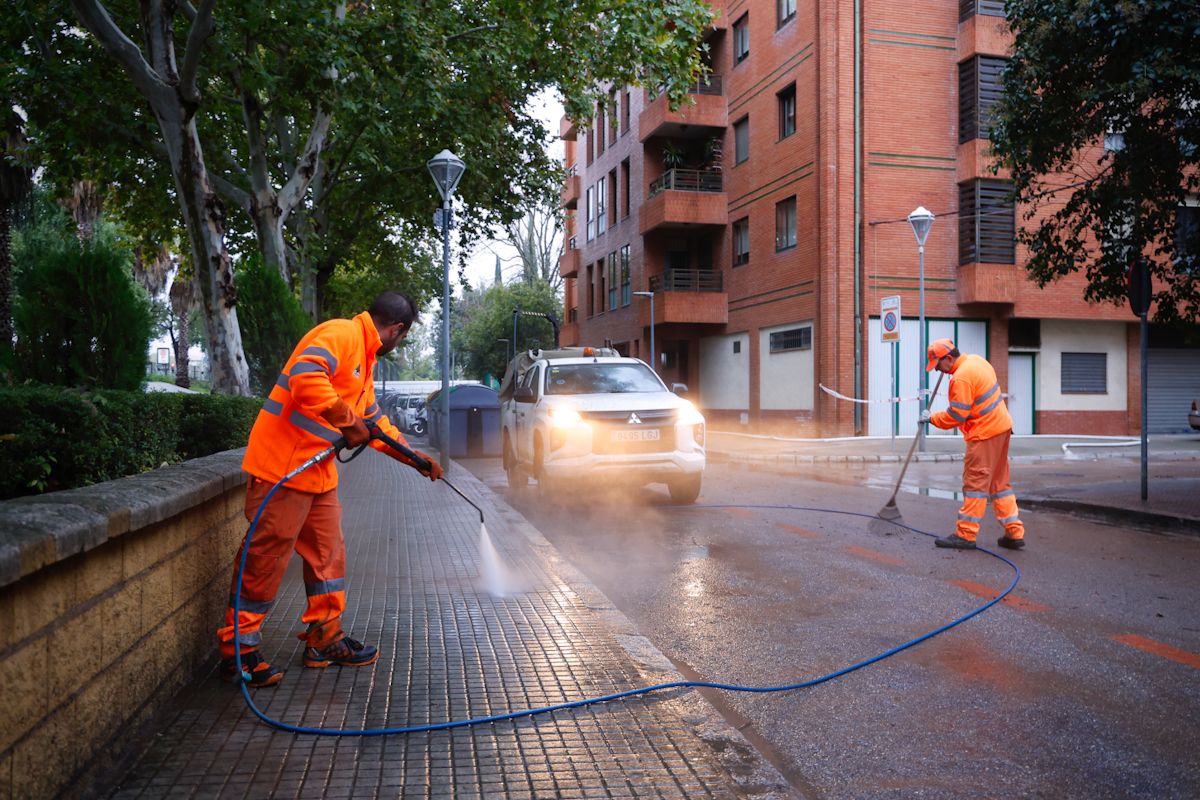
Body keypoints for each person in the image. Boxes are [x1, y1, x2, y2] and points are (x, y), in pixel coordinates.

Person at [216, 290, 443, 687]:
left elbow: (374, 425)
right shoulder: (342, 335)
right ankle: (239, 649)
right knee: (265, 559)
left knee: (328, 556)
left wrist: (415, 459)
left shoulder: (364, 360)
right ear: (396, 329)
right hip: (283, 469)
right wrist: (345, 419)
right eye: (403, 337)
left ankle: (324, 638)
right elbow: (306, 377)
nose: (399, 341)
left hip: (316, 474)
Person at [920, 338, 1025, 551]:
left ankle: (965, 534)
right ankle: (1014, 532)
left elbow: (957, 415)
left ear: (948, 358)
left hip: (985, 434)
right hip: (1002, 428)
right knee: (999, 484)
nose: (938, 371)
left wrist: (931, 418)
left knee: (975, 484)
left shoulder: (961, 378)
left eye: (938, 365)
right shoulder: (978, 361)